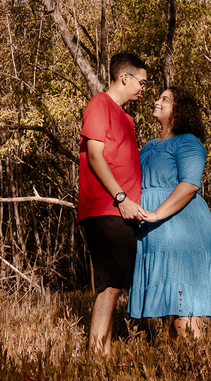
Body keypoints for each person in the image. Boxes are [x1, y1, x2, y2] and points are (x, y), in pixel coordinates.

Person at [129, 86, 211, 337]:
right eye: (159, 98)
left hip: (182, 227)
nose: (157, 102)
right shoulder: (148, 146)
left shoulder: (188, 142)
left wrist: (157, 213)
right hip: (153, 230)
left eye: (164, 99)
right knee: (172, 305)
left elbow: (190, 184)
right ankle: (179, 367)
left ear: (179, 110)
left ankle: (198, 367)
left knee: (184, 306)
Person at [77, 52, 151, 353]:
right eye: (142, 82)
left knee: (117, 283)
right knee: (109, 285)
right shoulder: (100, 105)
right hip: (106, 208)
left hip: (123, 212)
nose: (144, 88)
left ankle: (104, 353)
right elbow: (94, 155)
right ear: (125, 78)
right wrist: (121, 198)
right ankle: (95, 355)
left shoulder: (126, 117)